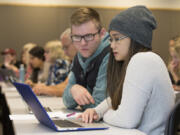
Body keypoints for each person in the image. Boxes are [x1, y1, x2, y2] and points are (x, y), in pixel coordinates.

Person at [78, 6, 175, 135]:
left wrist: (105, 114)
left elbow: (127, 120)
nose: (112, 45)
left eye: (117, 38)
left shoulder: (142, 60)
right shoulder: (149, 59)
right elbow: (118, 96)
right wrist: (97, 111)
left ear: (136, 37)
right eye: (111, 39)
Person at [62, 8, 110, 110]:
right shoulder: (79, 55)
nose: (83, 43)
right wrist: (73, 90)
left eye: (89, 36)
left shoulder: (110, 54)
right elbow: (67, 102)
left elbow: (98, 107)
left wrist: (78, 97)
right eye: (77, 37)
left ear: (102, 33)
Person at [31, 28, 77, 97]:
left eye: (47, 52)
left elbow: (65, 87)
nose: (44, 54)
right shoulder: (53, 65)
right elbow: (65, 84)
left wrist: (46, 89)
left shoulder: (61, 63)